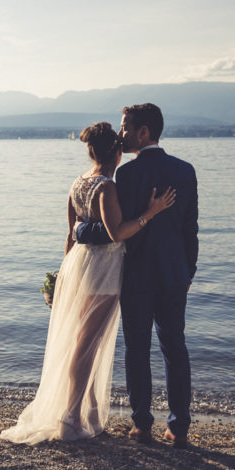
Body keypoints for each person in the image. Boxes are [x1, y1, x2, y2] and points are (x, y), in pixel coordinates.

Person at [0, 122, 175, 445]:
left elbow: (70, 237)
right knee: (86, 346)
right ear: (118, 153)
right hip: (102, 272)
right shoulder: (106, 186)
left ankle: (89, 415)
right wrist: (151, 212)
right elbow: (116, 233)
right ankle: (69, 417)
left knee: (83, 343)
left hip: (78, 266)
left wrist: (60, 279)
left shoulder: (78, 182)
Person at [75, 103, 198, 448]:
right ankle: (179, 429)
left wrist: (80, 229)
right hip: (176, 276)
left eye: (126, 127)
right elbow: (192, 230)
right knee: (176, 348)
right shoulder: (186, 171)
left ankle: (142, 426)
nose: (121, 133)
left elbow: (113, 230)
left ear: (143, 132)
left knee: (138, 349)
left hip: (137, 276)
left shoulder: (126, 176)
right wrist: (189, 271)